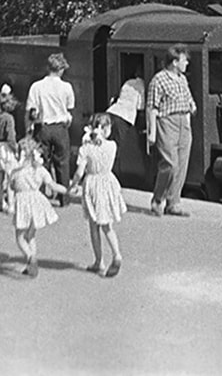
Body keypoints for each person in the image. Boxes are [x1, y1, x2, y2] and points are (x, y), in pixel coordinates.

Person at [69, 113, 126, 277]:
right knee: (107, 225)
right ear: (106, 130)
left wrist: (73, 185)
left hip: (93, 184)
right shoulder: (112, 146)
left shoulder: (85, 149)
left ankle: (98, 261)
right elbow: (104, 147)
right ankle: (116, 254)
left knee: (94, 226)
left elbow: (79, 173)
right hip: (108, 182)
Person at [146, 44, 196, 218]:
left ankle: (173, 203)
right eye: (184, 60)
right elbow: (152, 107)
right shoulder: (158, 80)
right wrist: (152, 132)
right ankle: (158, 199)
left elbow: (189, 100)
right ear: (174, 62)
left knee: (181, 165)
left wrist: (189, 117)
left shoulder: (182, 79)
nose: (187, 63)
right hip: (167, 122)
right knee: (170, 164)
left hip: (184, 122)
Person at [9, 137, 69, 278]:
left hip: (23, 203)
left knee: (20, 237)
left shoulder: (16, 172)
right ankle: (30, 265)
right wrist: (66, 190)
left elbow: (11, 187)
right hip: (37, 203)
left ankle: (31, 258)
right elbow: (53, 185)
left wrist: (9, 203)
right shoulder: (40, 170)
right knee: (31, 235)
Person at [26, 53, 75, 205]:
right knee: (62, 163)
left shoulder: (37, 86)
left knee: (41, 162)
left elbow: (31, 110)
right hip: (60, 127)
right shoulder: (66, 87)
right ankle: (64, 198)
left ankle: (40, 196)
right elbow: (70, 108)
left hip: (42, 127)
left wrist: (28, 129)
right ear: (61, 70)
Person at [106, 64, 146, 178]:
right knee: (117, 147)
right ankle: (112, 176)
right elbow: (140, 106)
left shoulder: (128, 82)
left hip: (112, 112)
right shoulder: (142, 85)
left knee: (109, 144)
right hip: (124, 116)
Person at [0, 92, 20, 213]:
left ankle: (1, 202)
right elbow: (10, 136)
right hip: (6, 148)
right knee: (10, 177)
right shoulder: (9, 118)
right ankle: (11, 204)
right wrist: (15, 150)